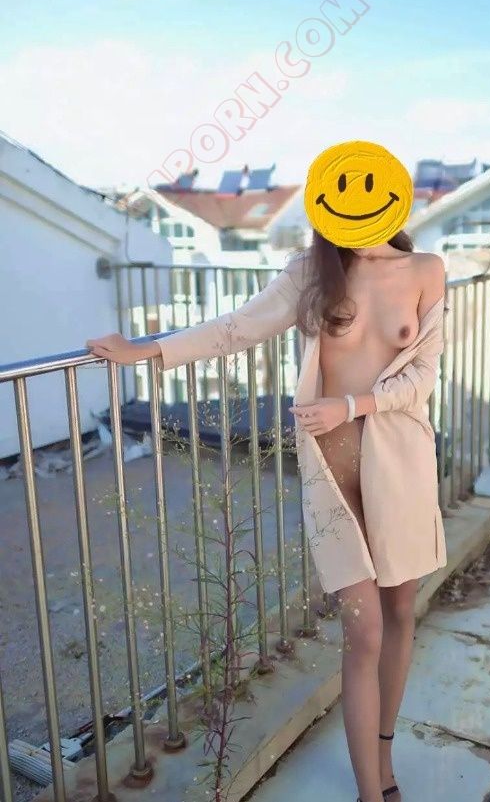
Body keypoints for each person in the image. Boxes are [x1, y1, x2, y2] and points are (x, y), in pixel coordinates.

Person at [87, 228, 447, 802]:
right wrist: (148, 350)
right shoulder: (314, 268)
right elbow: (239, 326)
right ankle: (370, 793)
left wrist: (351, 406)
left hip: (401, 461)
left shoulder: (426, 269)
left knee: (401, 609)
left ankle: (383, 755)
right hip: (332, 471)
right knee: (364, 630)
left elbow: (423, 374)